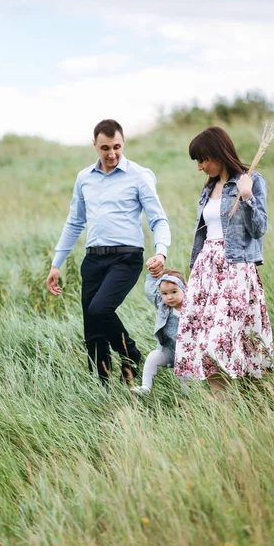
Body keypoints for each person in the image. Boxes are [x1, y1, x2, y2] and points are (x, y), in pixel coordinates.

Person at [46, 119, 171, 384]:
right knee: (92, 330)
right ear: (94, 145)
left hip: (126, 258)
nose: (112, 154)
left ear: (123, 143)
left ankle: (131, 355)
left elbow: (158, 219)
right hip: (93, 259)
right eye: (105, 148)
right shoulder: (84, 178)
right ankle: (101, 386)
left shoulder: (139, 175)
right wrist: (57, 263)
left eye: (117, 147)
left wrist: (161, 252)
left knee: (100, 309)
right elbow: (74, 222)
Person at [174, 126, 273, 397]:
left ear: (218, 153)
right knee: (204, 338)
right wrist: (194, 269)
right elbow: (204, 234)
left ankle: (256, 398)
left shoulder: (251, 181)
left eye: (203, 159)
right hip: (207, 270)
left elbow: (260, 228)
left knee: (226, 338)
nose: (200, 167)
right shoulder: (209, 189)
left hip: (235, 269)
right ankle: (223, 410)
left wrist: (247, 196)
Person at [131, 268, 186, 395]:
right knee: (152, 357)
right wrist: (153, 275)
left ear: (184, 289)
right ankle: (146, 387)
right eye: (165, 294)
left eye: (174, 292)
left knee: (185, 376)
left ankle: (186, 397)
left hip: (186, 352)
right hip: (168, 349)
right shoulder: (163, 306)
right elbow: (150, 292)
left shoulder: (191, 307)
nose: (170, 297)